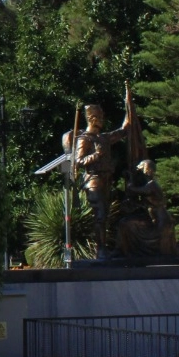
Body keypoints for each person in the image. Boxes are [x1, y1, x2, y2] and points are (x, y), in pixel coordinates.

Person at [66, 103, 129, 257]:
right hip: (93, 180)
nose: (102, 120)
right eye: (100, 117)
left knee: (104, 215)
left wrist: (129, 108)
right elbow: (78, 161)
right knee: (100, 214)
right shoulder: (84, 139)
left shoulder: (103, 138)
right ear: (92, 119)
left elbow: (123, 131)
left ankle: (103, 248)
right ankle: (100, 249)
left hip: (106, 180)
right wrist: (96, 155)